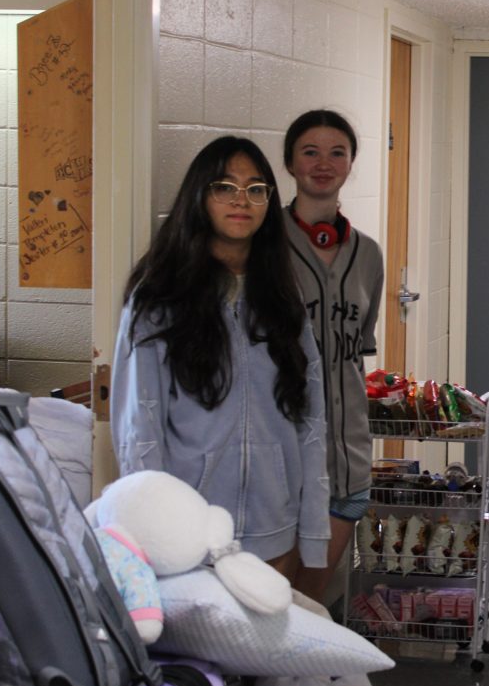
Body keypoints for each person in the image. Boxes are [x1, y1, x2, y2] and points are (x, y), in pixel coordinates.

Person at [111, 135, 331, 585]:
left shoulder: (283, 299)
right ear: (200, 197)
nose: (241, 201)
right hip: (188, 538)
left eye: (255, 189)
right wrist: (156, 533)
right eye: (224, 187)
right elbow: (141, 427)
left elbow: (310, 422)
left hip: (275, 533)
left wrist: (310, 534)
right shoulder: (158, 299)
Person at [281, 109, 385, 603]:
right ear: (290, 163)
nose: (324, 163)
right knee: (273, 602)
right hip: (279, 459)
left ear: (350, 163)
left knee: (312, 602)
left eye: (337, 152)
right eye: (310, 151)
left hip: (347, 457)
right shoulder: (263, 248)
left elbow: (355, 354)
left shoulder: (369, 255)